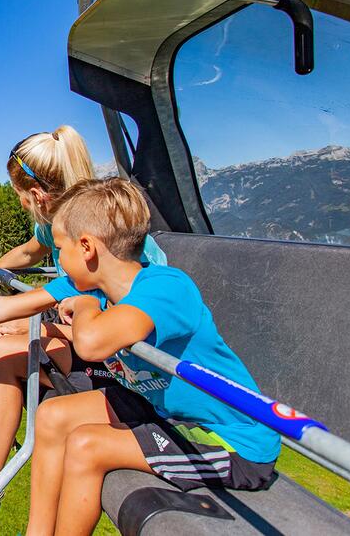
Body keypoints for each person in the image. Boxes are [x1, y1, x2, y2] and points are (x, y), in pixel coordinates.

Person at [0, 128, 166, 528]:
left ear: (38, 197)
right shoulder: (78, 229)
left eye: (20, 198)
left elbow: (98, 325)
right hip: (92, 326)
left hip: (116, 356)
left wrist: (73, 312)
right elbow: (28, 258)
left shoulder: (87, 251)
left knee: (3, 350)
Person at [23, 178, 279, 536]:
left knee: (86, 446)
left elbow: (92, 344)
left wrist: (82, 307)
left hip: (232, 442)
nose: (59, 261)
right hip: (169, 410)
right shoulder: (106, 291)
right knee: (52, 414)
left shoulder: (166, 287)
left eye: (61, 249)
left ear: (86, 248)